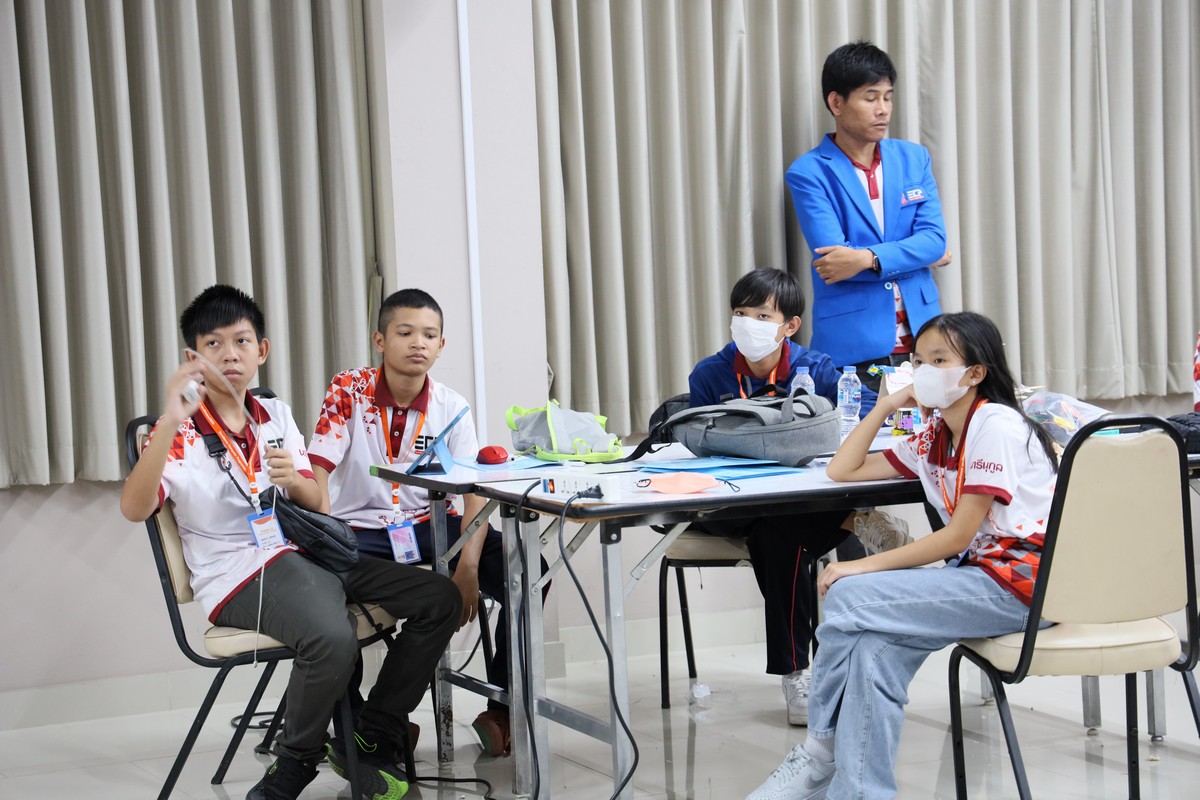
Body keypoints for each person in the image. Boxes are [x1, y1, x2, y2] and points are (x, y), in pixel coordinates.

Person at [120, 285, 460, 800]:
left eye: (241, 341)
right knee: (332, 638)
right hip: (238, 572)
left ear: (262, 350)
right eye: (213, 344)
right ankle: (295, 762)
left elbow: (317, 504)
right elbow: (134, 508)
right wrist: (169, 419)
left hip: (305, 553)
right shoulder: (181, 432)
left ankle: (372, 730)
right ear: (194, 358)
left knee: (440, 598)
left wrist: (295, 483)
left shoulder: (274, 415)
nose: (229, 355)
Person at [745, 311, 1059, 800]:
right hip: (978, 580)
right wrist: (886, 404)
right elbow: (842, 471)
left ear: (975, 373)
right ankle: (860, 793)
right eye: (918, 361)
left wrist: (857, 565)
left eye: (939, 361)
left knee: (846, 595)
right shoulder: (937, 434)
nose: (924, 371)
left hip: (1023, 587)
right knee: (874, 654)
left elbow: (956, 537)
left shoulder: (993, 424)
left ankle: (818, 751)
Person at [308, 288, 543, 759]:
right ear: (380, 340)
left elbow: (473, 492)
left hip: (428, 527)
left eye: (429, 335)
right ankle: (369, 724)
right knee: (323, 598)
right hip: (360, 532)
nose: (418, 342)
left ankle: (501, 709)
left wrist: (468, 566)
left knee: (530, 574)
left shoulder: (452, 407)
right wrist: (326, 537)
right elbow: (317, 469)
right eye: (405, 332)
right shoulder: (349, 389)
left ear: (441, 346)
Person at [687, 267, 911, 727]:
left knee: (776, 534)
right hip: (729, 502)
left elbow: (855, 429)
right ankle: (855, 522)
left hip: (792, 503)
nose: (747, 323)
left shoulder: (818, 370)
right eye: (740, 313)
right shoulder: (710, 374)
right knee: (777, 527)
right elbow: (698, 446)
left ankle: (796, 671)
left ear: (790, 325)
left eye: (761, 315)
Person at [785, 40, 951, 393]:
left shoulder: (913, 158)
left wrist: (867, 258)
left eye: (888, 97)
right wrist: (920, 256)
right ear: (836, 103)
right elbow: (834, 262)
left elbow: (935, 240)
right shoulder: (809, 173)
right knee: (864, 430)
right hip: (855, 353)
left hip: (926, 345)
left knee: (931, 430)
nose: (883, 109)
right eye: (871, 97)